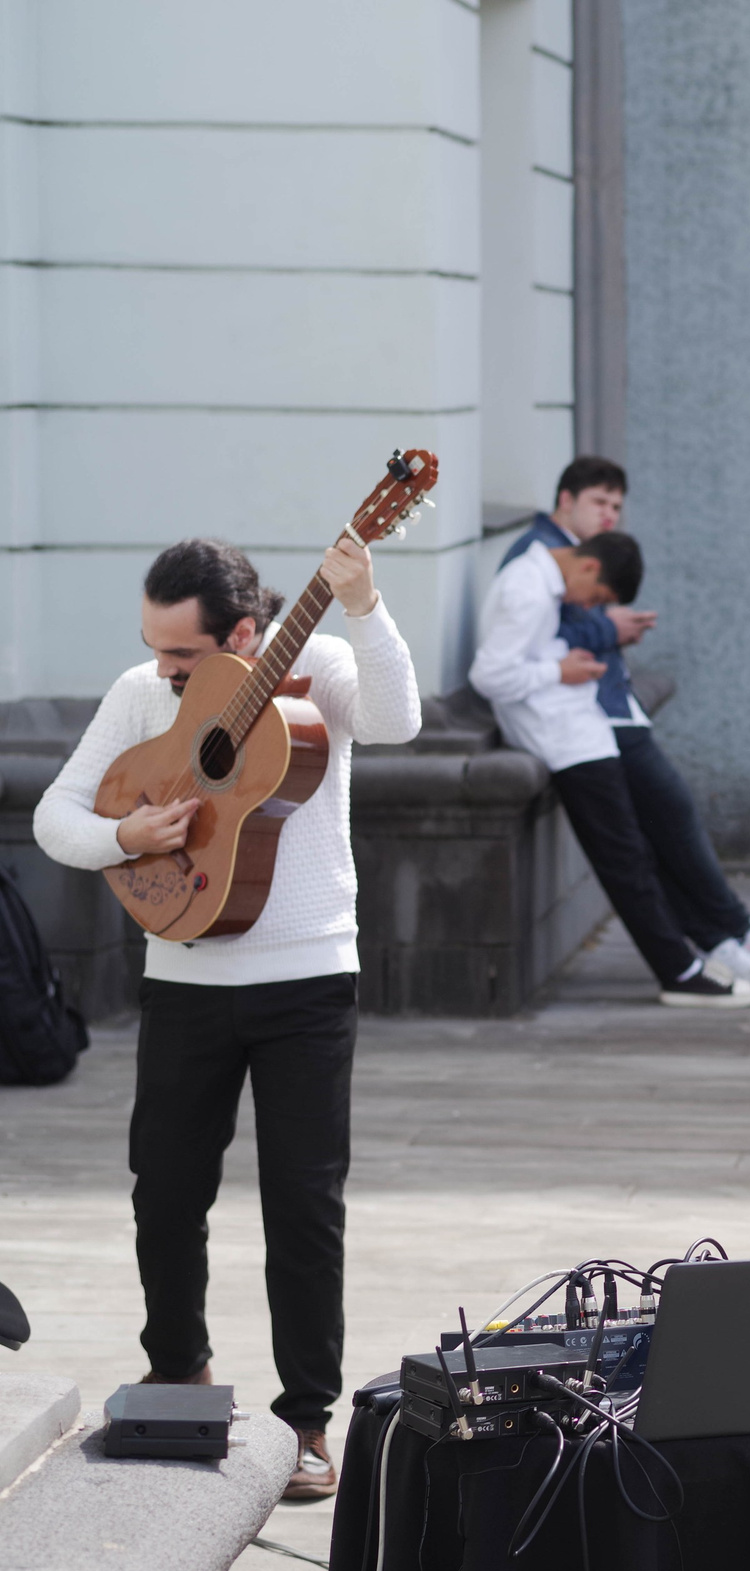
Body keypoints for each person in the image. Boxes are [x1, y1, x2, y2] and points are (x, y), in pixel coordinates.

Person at [35, 534, 423, 1501]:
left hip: (306, 980)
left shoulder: (320, 666)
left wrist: (366, 604)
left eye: (179, 655)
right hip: (184, 978)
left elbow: (401, 720)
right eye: (153, 647)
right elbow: (57, 815)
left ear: (243, 632)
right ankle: (178, 1373)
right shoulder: (140, 692)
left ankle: (305, 1422)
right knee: (163, 1193)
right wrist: (126, 833)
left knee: (303, 1205)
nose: (161, 671)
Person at [499, 457, 750, 984]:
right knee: (658, 829)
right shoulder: (539, 562)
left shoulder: (571, 558)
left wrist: (604, 627)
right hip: (588, 720)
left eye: (617, 507)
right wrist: (608, 627)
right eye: (599, 502)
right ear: (565, 500)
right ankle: (726, 937)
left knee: (665, 826)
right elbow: (545, 645)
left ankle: (728, 935)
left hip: (607, 712)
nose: (608, 515)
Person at [470, 531, 750, 1008]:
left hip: (576, 729)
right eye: (598, 598)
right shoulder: (528, 589)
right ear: (587, 568)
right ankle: (679, 972)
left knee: (632, 854)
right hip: (562, 736)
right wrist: (559, 671)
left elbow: (527, 657)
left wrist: (562, 664)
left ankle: (683, 965)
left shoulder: (539, 582)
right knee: (624, 859)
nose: (593, 607)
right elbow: (489, 675)